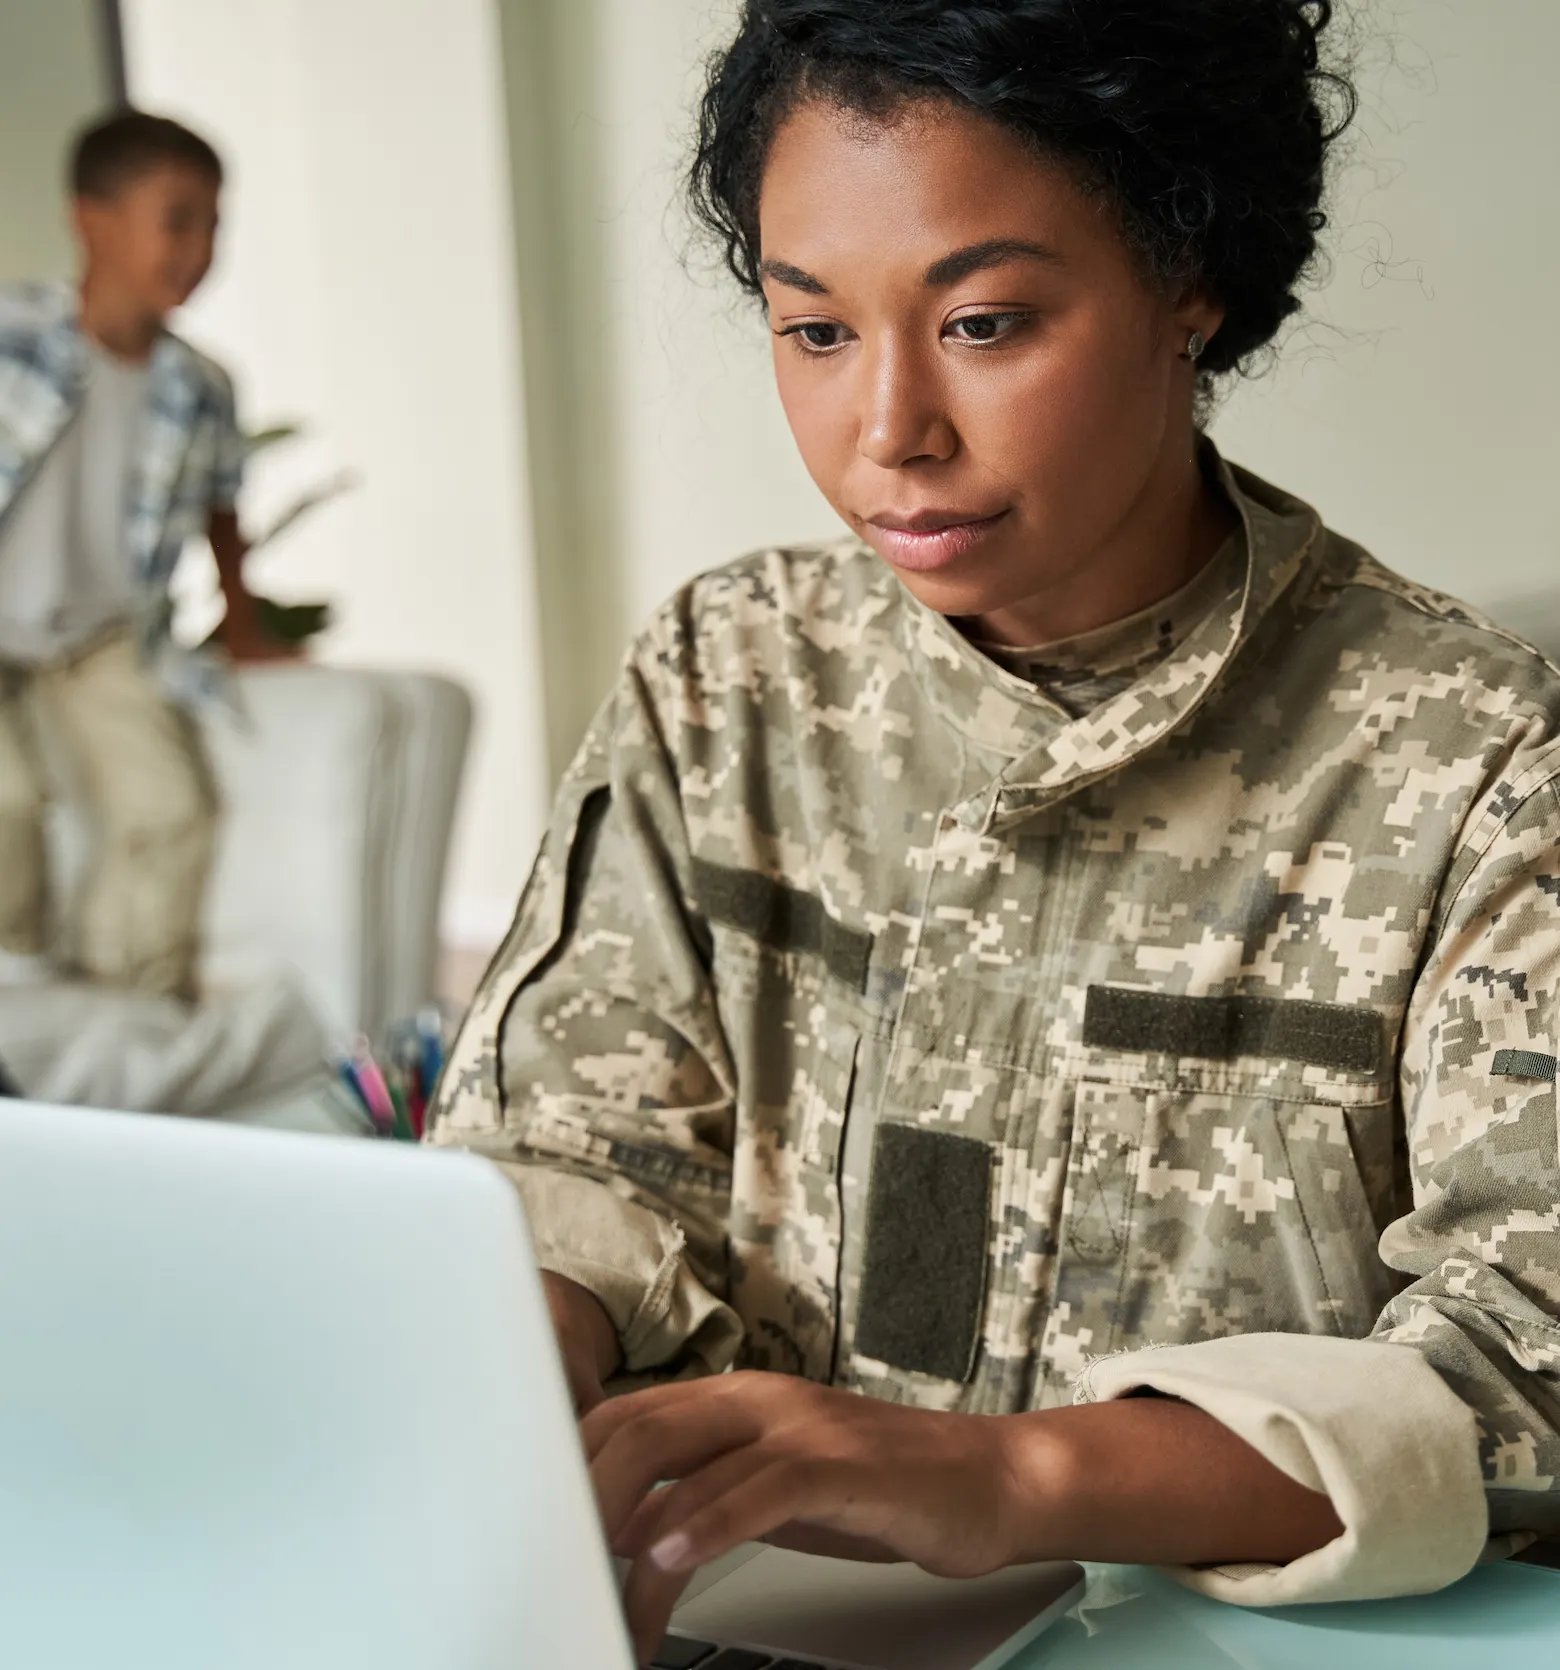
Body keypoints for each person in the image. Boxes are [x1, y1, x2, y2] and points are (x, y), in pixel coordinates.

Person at [429, 1, 1560, 1660]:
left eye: (984, 321)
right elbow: (570, 1160)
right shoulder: (724, 674)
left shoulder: (1477, 760)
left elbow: (1525, 1363)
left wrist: (1018, 1476)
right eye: (812, 329)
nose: (888, 431)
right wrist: (498, 1407)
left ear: (1194, 280)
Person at [0, 110, 284, 1001]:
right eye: (179, 218)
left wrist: (243, 623)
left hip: (102, 636)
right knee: (5, 804)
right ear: (91, 219)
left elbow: (221, 508)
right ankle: (18, 992)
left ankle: (126, 998)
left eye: (214, 224)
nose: (201, 248)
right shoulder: (14, 335)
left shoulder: (200, 385)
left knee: (170, 807)